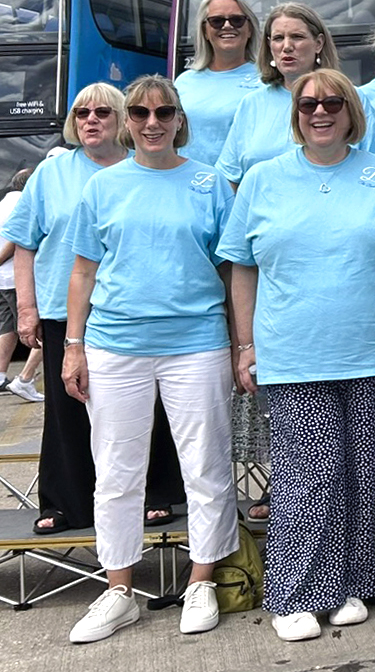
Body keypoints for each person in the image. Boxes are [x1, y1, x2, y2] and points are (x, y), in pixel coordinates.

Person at [221, 69, 375, 641]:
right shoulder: (263, 179)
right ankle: (294, 594)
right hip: (292, 350)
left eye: (333, 102)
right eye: (308, 104)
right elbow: (241, 266)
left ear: (352, 111)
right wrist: (246, 343)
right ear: (296, 115)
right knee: (307, 476)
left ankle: (350, 585)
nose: (320, 112)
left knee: (356, 471)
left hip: (370, 348)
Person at [62, 75, 237, 643]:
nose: (152, 122)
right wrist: (73, 345)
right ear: (128, 120)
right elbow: (84, 269)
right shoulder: (104, 187)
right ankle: (118, 591)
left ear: (179, 119)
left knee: (206, 464)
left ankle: (203, 579)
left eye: (164, 112)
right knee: (115, 471)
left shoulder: (211, 183)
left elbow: (231, 269)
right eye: (140, 113)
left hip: (197, 342)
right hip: (116, 346)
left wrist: (242, 344)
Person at [4, 88, 184, 536]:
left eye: (103, 112)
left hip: (130, 306)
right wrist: (26, 308)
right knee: (66, 411)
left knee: (151, 409)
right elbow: (24, 243)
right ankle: (66, 503)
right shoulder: (52, 172)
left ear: (123, 119)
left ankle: (156, 494)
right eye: (81, 113)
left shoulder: (141, 166)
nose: (90, 120)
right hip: (62, 309)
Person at [219, 2, 375, 184]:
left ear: (318, 43)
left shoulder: (351, 99)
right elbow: (229, 178)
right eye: (278, 38)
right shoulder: (251, 104)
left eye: (297, 37)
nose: (287, 46)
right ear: (269, 45)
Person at [175, 0, 263, 167]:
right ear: (205, 31)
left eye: (237, 20)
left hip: (242, 188)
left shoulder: (267, 80)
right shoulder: (183, 83)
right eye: (217, 21)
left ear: (250, 29)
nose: (227, 26)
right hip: (191, 187)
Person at [0, 167, 43, 401]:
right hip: (17, 279)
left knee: (6, 328)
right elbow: (18, 241)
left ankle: (0, 375)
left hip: (3, 281)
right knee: (43, 331)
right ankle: (25, 379)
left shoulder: (3, 201)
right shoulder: (22, 204)